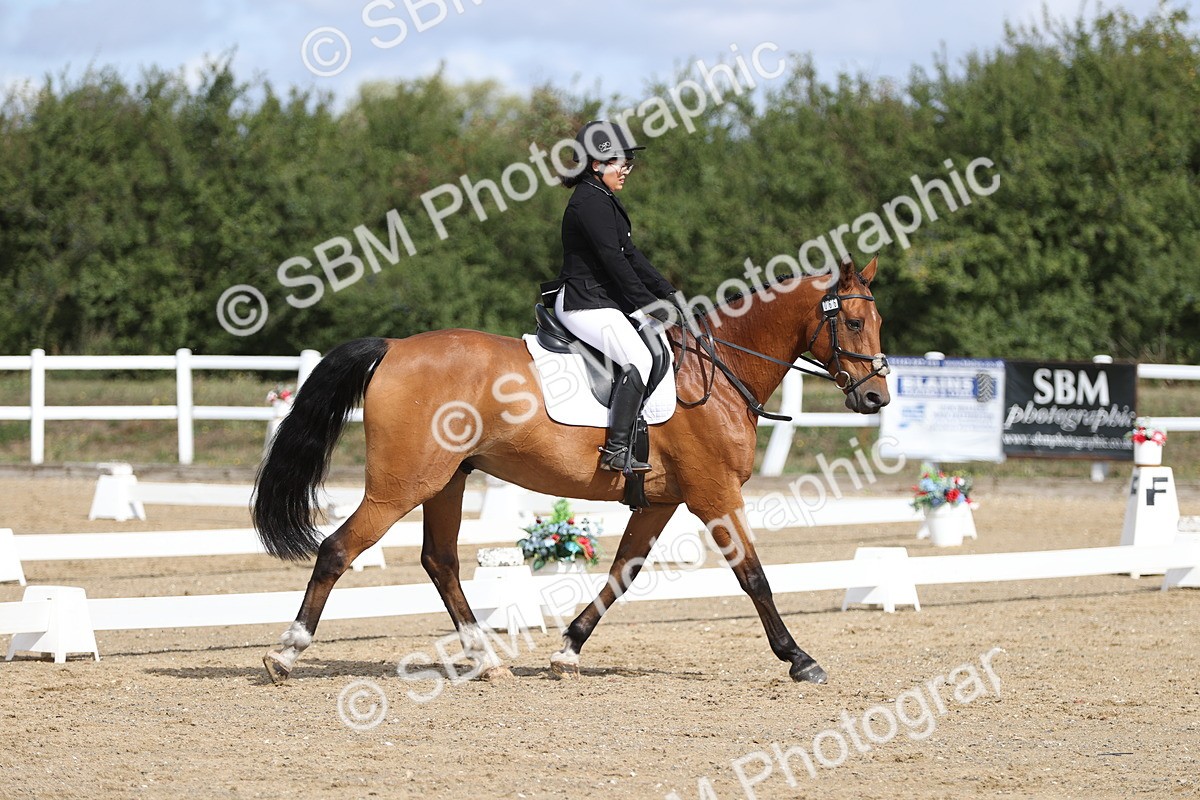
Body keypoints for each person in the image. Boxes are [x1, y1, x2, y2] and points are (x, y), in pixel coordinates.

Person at [549, 120, 678, 474]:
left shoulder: (603, 199)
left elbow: (632, 255)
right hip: (582, 301)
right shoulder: (588, 202)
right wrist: (648, 304)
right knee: (638, 357)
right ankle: (617, 449)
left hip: (604, 300)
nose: (625, 170)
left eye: (627, 164)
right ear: (596, 164)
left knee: (659, 345)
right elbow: (614, 260)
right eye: (621, 162)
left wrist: (667, 292)